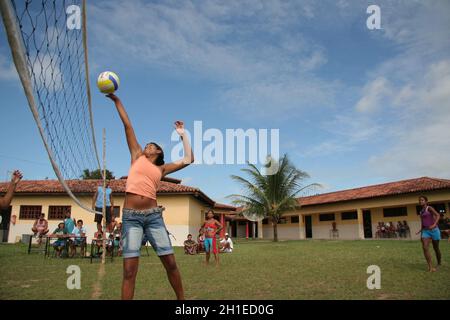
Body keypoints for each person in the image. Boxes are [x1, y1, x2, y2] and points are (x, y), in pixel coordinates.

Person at [106, 93, 194, 300]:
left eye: (151, 146)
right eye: (146, 145)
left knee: (171, 263)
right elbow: (128, 126)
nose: (147, 146)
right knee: (129, 271)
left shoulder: (162, 169)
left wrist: (182, 134)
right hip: (131, 218)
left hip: (153, 217)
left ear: (159, 151)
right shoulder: (137, 156)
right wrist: (117, 101)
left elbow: (190, 158)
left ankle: (182, 301)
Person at [417, 196, 441, 272]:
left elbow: (438, 215)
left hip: (434, 230)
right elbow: (422, 222)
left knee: (436, 248)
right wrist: (421, 231)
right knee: (425, 247)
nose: (420, 201)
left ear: (426, 201)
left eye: (422, 200)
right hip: (425, 231)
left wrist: (434, 225)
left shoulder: (429, 208)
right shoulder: (421, 211)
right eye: (419, 200)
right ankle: (430, 267)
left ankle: (439, 263)